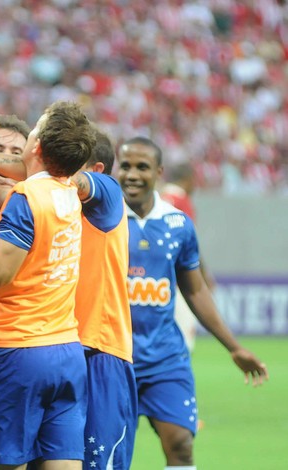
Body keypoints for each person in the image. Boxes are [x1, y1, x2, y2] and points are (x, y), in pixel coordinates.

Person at [0, 101, 96, 469]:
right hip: (66, 351)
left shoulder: (25, 199)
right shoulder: (67, 190)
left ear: (36, 145)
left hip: (17, 352)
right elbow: (23, 170)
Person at [117, 136, 269, 469]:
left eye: (142, 167)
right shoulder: (103, 220)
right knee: (110, 456)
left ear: (158, 172)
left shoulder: (178, 224)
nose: (132, 174)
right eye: (125, 165)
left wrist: (233, 347)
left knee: (182, 447)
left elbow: (196, 291)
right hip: (112, 360)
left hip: (164, 359)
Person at [71, 130, 137, 470]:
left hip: (101, 352)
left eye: (68, 158)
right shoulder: (49, 206)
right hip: (58, 350)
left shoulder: (108, 195)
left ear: (95, 169)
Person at [160, 162, 215, 352]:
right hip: (178, 282)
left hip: (151, 283)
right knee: (183, 340)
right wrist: (204, 275)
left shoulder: (157, 197)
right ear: (187, 180)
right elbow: (189, 245)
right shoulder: (182, 202)